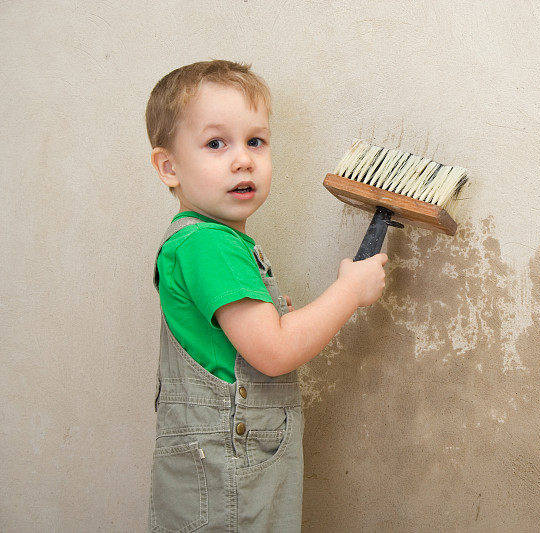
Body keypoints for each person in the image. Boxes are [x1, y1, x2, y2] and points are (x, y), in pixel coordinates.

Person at [145, 59, 388, 532]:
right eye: (216, 143)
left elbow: (247, 346)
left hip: (233, 465)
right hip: (226, 472)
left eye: (255, 141)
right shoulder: (208, 244)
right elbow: (274, 351)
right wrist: (349, 292)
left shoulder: (214, 242)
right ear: (168, 166)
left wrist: (278, 316)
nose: (243, 159)